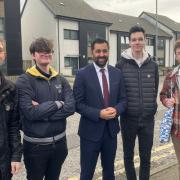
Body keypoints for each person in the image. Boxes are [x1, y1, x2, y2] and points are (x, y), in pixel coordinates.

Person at [16, 37, 75, 180]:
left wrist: (42, 113)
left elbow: (71, 107)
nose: (45, 53)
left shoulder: (60, 78)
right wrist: (57, 104)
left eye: (48, 51)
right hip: (36, 148)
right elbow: (29, 113)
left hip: (60, 145)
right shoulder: (24, 80)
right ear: (33, 55)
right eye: (41, 51)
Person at [73, 38, 127, 180]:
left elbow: (123, 100)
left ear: (108, 52)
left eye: (104, 51)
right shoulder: (82, 74)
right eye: (98, 51)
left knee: (109, 173)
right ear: (92, 53)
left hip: (111, 132)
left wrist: (117, 110)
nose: (101, 54)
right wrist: (98, 114)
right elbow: (77, 104)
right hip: (90, 133)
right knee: (87, 173)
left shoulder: (117, 73)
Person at [116, 26, 159, 180]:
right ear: (129, 42)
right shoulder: (120, 65)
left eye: (140, 39)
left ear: (145, 40)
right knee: (128, 156)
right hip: (128, 120)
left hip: (148, 120)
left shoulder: (153, 65)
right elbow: (118, 93)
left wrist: (152, 108)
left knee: (146, 157)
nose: (137, 42)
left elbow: (154, 89)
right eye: (134, 40)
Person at [0, 39, 22, 180]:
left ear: (4, 55)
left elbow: (13, 125)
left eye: (0, 50)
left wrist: (15, 156)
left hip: (4, 159)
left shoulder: (10, 88)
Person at [160, 39, 180, 180]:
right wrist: (166, 101)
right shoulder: (170, 76)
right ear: (175, 55)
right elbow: (162, 95)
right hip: (177, 129)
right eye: (179, 53)